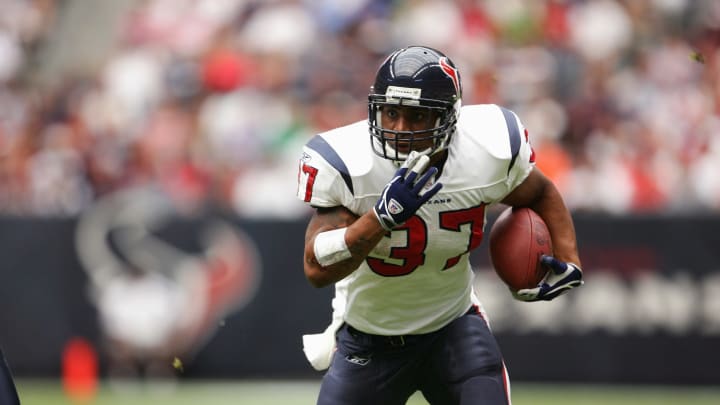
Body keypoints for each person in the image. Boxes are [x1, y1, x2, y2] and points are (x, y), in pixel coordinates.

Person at [296, 45, 583, 405]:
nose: (400, 129)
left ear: (449, 117)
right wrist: (379, 219)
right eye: (391, 113)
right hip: (369, 340)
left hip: (453, 328)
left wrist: (569, 258)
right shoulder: (349, 162)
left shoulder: (487, 150)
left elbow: (540, 191)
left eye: (417, 116)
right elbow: (316, 268)